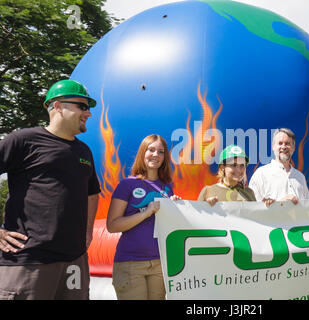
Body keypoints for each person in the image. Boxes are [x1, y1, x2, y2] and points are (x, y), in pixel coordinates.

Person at [0, 79, 100, 300]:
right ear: (57, 106)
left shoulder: (84, 151)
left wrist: (88, 232)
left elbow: (92, 193)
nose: (88, 114)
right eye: (82, 106)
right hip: (29, 259)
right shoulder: (23, 140)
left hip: (75, 261)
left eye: (89, 108)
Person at [106, 134, 181, 300]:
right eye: (151, 150)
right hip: (131, 263)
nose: (155, 155)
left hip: (159, 263)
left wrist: (176, 207)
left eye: (161, 152)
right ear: (142, 152)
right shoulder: (127, 184)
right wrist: (147, 212)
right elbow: (112, 225)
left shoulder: (167, 187)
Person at [249, 128, 309, 206]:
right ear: (273, 147)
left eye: (287, 143)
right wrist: (280, 203)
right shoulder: (261, 174)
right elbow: (251, 206)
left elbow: (307, 207)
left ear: (293, 148)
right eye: (280, 143)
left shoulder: (300, 177)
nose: (283, 147)